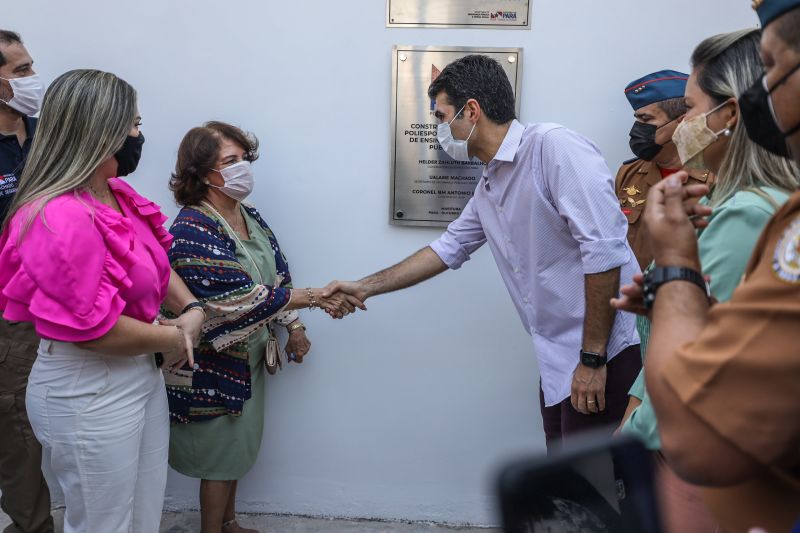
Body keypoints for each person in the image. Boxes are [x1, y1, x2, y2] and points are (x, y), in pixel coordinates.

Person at [325, 55, 642, 451]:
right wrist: (364, 287)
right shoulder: (491, 183)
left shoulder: (553, 148)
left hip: (606, 352)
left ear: (471, 111)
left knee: (602, 486)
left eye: (442, 117)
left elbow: (604, 253)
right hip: (559, 359)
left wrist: (594, 359)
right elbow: (448, 247)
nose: (439, 129)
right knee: (570, 483)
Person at [612, 1, 800, 530]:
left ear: (730, 115)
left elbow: (695, 387)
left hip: (696, 464)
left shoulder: (744, 215)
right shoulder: (731, 204)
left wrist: (673, 264)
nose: (678, 129)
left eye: (690, 110)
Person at [0, 69, 206, 533]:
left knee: (141, 515)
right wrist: (176, 334)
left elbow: (155, 264)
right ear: (101, 130)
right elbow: (97, 330)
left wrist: (191, 308)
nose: (140, 135)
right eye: (133, 125)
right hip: (88, 388)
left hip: (139, 371)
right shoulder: (56, 215)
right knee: (102, 523)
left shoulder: (116, 194)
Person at [165, 122, 361, 533]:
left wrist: (295, 327)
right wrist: (317, 297)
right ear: (202, 174)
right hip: (211, 364)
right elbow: (242, 296)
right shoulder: (190, 229)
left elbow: (277, 275)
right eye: (229, 162)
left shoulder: (248, 215)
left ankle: (230, 523)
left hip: (249, 355)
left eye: (243, 159)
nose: (242, 169)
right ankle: (212, 530)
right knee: (218, 455)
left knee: (237, 447)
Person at [0, 30, 54, 533]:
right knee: (17, 424)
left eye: (30, 66)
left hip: (54, 298)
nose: (31, 78)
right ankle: (32, 526)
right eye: (20, 71)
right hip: (9, 312)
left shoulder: (40, 131)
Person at [616, 69, 715, 270]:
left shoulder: (717, 176)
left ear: (682, 121)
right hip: (637, 295)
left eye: (646, 120)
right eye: (637, 119)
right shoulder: (629, 174)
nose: (636, 130)